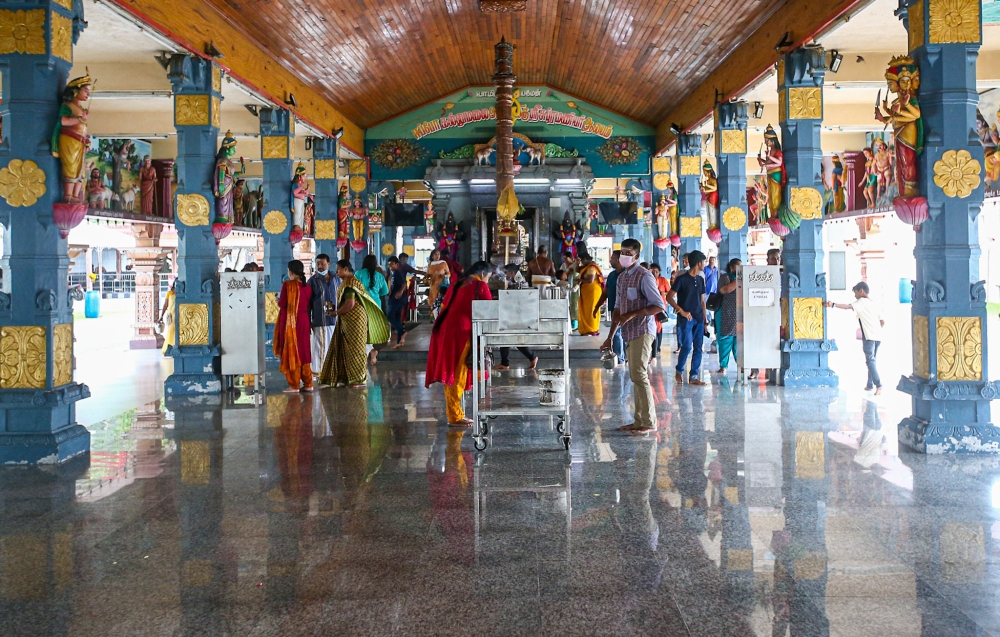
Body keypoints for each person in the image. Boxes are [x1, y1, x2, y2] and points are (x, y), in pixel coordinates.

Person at [601, 239, 665, 434]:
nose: (624, 256)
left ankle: (648, 422)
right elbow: (618, 310)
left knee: (639, 374)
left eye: (629, 253)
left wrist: (633, 314)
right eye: (622, 252)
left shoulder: (644, 276)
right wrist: (610, 337)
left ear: (637, 256)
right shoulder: (621, 278)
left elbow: (658, 305)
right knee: (635, 376)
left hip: (643, 331)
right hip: (628, 332)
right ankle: (638, 420)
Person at [425, 261, 493, 426]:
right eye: (488, 278)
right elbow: (489, 310)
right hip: (461, 332)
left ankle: (454, 413)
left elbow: (443, 305)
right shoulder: (480, 286)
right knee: (458, 372)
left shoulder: (457, 283)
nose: (487, 281)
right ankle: (455, 416)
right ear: (483, 273)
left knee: (451, 370)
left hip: (444, 328)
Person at [319, 259, 390, 389]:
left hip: (355, 320)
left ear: (346, 269)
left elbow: (350, 304)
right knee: (348, 349)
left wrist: (336, 313)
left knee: (355, 349)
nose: (336, 272)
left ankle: (358, 379)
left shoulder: (351, 283)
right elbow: (384, 292)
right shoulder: (349, 281)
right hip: (352, 319)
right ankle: (346, 377)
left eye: (338, 269)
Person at [826, 282, 884, 394]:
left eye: (856, 293)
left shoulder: (861, 302)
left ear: (861, 291)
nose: (855, 296)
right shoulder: (874, 303)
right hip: (878, 337)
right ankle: (870, 384)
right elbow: (882, 321)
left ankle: (879, 385)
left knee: (870, 361)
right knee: (872, 361)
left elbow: (848, 307)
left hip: (869, 336)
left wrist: (833, 304)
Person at [666, 250, 708, 386]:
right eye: (703, 261)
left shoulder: (701, 279)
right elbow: (669, 297)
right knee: (686, 346)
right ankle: (679, 370)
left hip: (699, 318)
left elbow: (702, 301)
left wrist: (705, 319)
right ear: (698, 263)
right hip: (686, 318)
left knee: (698, 348)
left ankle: (694, 376)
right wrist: (681, 312)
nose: (704, 264)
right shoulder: (682, 279)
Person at [275, 260, 313, 393]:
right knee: (303, 350)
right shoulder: (307, 287)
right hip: (304, 320)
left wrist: (278, 300)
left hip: (291, 323)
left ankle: (294, 384)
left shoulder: (287, 285)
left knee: (292, 349)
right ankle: (308, 383)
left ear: (290, 271)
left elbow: (283, 304)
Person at [307, 254, 340, 379]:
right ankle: (319, 373)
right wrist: (309, 319)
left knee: (334, 346)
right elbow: (308, 303)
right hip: (320, 319)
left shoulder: (336, 279)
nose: (320, 266)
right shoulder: (312, 281)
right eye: (318, 264)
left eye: (323, 264)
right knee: (320, 347)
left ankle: (333, 372)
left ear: (329, 264)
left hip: (335, 320)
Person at [357, 254, 390, 364]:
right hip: (376, 306)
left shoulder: (359, 274)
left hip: (362, 306)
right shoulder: (380, 276)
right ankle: (372, 351)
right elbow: (385, 292)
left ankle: (367, 353)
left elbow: (354, 290)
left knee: (362, 331)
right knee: (371, 331)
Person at [594, 250, 625, 365]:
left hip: (626, 309)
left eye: (612, 258)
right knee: (617, 333)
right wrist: (597, 306)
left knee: (618, 333)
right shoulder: (612, 275)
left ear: (617, 260)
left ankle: (621, 358)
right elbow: (605, 293)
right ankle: (620, 357)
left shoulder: (626, 275)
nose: (610, 260)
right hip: (614, 308)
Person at [715, 259, 741, 373]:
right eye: (738, 266)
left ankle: (741, 365)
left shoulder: (742, 279)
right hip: (726, 313)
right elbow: (725, 289)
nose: (740, 269)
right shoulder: (725, 277)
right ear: (731, 267)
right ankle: (723, 365)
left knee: (738, 341)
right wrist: (739, 279)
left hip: (739, 314)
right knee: (725, 339)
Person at [576, 251, 604, 336]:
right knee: (586, 310)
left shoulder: (591, 267)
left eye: (582, 261)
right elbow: (578, 269)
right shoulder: (587, 266)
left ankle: (592, 329)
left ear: (585, 259)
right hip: (587, 292)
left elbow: (590, 280)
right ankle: (587, 329)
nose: (581, 263)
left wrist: (580, 280)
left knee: (591, 309)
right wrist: (577, 263)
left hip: (592, 291)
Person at [386, 256, 409, 349]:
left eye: (392, 264)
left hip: (397, 299)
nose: (390, 266)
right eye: (389, 264)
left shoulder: (397, 273)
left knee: (390, 316)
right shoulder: (393, 274)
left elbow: (404, 284)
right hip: (396, 298)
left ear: (397, 264)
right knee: (397, 317)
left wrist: (400, 292)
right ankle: (400, 340)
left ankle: (402, 333)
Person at [649, 263, 670, 359]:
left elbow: (670, 293)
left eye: (656, 271)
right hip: (651, 306)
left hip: (661, 306)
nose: (654, 273)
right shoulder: (648, 280)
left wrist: (663, 293)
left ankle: (657, 348)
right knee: (652, 327)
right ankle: (652, 347)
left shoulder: (663, 280)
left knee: (659, 327)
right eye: (652, 271)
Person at [159, 281, 175, 355]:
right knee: (171, 331)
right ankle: (169, 347)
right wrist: (161, 316)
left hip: (180, 315)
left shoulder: (182, 293)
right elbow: (165, 305)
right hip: (171, 316)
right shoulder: (170, 293)